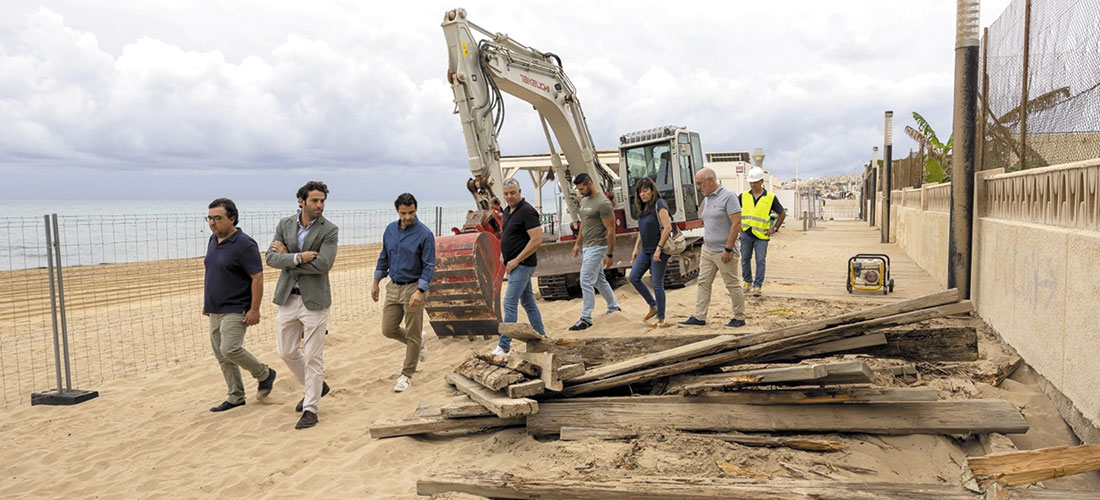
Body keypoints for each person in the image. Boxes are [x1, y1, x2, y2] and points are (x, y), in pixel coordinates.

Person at [267, 181, 338, 430]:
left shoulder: (329, 230)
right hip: (288, 297)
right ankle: (319, 387)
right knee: (285, 351)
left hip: (315, 301)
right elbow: (270, 258)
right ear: (301, 201)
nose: (319, 205)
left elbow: (324, 265)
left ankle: (311, 409)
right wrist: (299, 257)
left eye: (322, 201)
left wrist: (287, 259)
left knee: (313, 356)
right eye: (315, 201)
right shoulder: (285, 225)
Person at [203, 198, 276, 412]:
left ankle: (264, 373)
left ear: (232, 219)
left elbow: (257, 277)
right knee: (221, 355)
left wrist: (255, 309)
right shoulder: (212, 240)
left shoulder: (245, 243)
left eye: (218, 218)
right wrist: (207, 303)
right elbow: (212, 272)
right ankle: (236, 396)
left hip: (237, 307)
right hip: (215, 307)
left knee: (230, 349)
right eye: (209, 218)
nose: (212, 223)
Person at [373, 192, 434, 392]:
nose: (408, 217)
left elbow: (428, 266)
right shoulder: (390, 230)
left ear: (416, 210)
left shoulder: (425, 234)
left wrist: (420, 290)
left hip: (413, 287)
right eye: (404, 213)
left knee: (413, 334)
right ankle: (418, 342)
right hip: (393, 286)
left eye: (411, 212)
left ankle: (406, 375)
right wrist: (376, 282)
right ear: (397, 211)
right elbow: (384, 257)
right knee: (388, 329)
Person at [679, 167, 746, 328]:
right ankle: (699, 316)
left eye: (700, 183)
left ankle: (739, 317)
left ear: (710, 181)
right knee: (703, 282)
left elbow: (736, 223)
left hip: (724, 251)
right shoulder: (707, 199)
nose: (698, 187)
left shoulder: (729, 197)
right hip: (708, 249)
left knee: (732, 284)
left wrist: (728, 248)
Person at [492, 179, 545, 355]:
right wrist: (504, 254)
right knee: (528, 302)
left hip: (523, 264)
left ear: (519, 191)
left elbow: (536, 240)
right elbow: (510, 235)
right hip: (513, 264)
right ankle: (541, 338)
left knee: (509, 303)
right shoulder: (507, 211)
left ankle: (504, 346)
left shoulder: (528, 211)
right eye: (506, 193)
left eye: (512, 193)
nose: (509, 196)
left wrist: (516, 259)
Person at [568, 173, 621, 331]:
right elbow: (584, 223)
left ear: (590, 183)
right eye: (578, 189)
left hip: (598, 246)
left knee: (585, 280)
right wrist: (578, 244)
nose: (580, 192)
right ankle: (613, 306)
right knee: (598, 279)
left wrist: (610, 254)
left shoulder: (603, 203)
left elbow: (611, 230)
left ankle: (586, 318)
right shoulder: (584, 201)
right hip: (587, 246)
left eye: (582, 188)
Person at [628, 177, 673, 328]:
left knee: (657, 284)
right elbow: (642, 231)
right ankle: (652, 305)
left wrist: (659, 249)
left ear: (652, 190)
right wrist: (636, 248)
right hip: (646, 250)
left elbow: (667, 228)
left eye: (645, 190)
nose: (643, 194)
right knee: (634, 277)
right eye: (640, 192)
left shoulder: (659, 204)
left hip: (658, 250)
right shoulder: (644, 209)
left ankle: (661, 318)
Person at [740, 167, 786, 296]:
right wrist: (737, 225)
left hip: (762, 235)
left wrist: (774, 228)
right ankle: (747, 281)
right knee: (745, 259)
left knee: (760, 260)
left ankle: (757, 285)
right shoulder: (743, 196)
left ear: (761, 181)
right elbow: (734, 210)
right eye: (751, 182)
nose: (753, 185)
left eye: (755, 182)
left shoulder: (770, 197)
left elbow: (782, 213)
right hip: (746, 233)